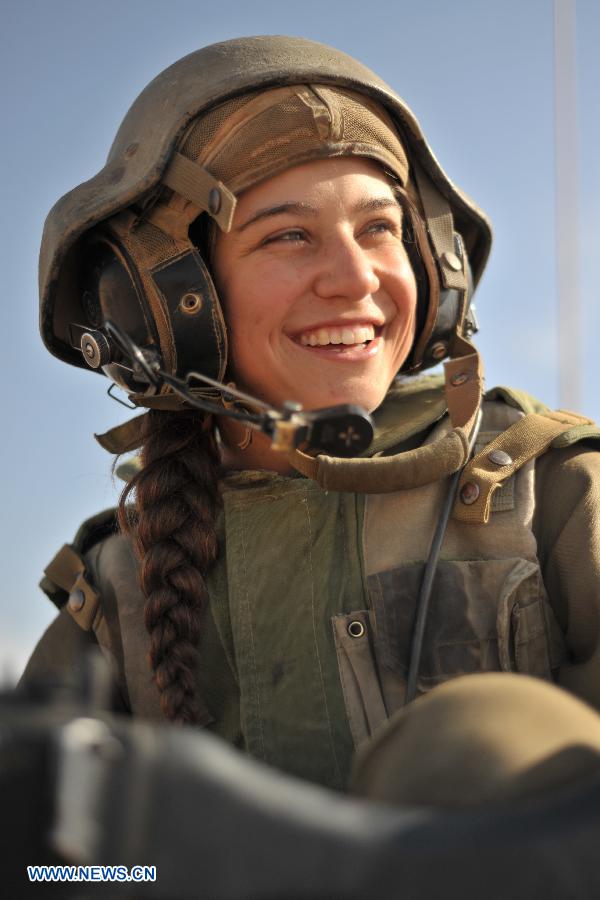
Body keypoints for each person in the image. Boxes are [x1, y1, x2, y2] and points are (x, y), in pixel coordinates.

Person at [22, 36, 600, 803]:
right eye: (288, 236)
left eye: (379, 229)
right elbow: (50, 870)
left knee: (475, 742)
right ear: (166, 302)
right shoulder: (121, 579)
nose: (356, 278)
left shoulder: (553, 492)